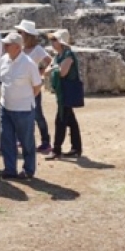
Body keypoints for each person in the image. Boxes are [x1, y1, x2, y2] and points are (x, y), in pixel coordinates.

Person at [0, 32, 42, 179]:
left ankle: (28, 169)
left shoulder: (29, 64)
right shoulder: (3, 60)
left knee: (26, 141)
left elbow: (37, 86)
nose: (4, 46)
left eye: (7, 44)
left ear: (17, 47)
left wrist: (25, 98)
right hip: (5, 106)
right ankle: (10, 169)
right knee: (7, 140)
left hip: (23, 109)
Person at [45, 29, 83, 160]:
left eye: (55, 40)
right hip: (62, 92)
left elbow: (62, 72)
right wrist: (55, 67)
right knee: (71, 121)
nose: (52, 42)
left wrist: (54, 68)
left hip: (67, 92)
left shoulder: (68, 55)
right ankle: (76, 148)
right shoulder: (58, 56)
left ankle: (56, 149)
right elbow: (47, 71)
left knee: (60, 120)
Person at [16, 20, 53, 154]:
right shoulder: (19, 48)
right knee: (21, 113)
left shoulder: (37, 49)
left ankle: (45, 141)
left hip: (33, 86)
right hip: (20, 86)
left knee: (37, 114)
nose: (19, 34)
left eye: (21, 32)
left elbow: (50, 62)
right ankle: (23, 138)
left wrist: (41, 73)